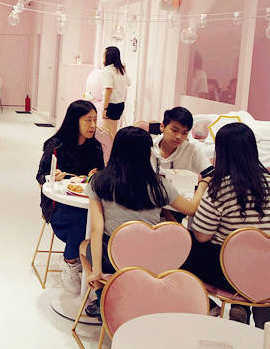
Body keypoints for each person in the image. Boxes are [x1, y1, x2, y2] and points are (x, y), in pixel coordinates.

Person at [79, 126, 206, 315]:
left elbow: (97, 228)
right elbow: (191, 209)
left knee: (84, 246)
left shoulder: (99, 181)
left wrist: (96, 270)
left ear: (116, 150)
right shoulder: (159, 185)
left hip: (114, 258)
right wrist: (202, 185)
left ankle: (102, 296)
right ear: (147, 153)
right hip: (151, 260)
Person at [181, 123, 270, 327]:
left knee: (182, 243)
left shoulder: (220, 189)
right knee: (247, 252)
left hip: (229, 273)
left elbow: (202, 236)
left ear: (222, 152)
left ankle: (210, 305)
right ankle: (242, 306)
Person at [35, 100, 105, 292]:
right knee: (80, 220)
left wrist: (94, 176)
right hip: (58, 204)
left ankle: (85, 257)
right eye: (88, 120)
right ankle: (70, 261)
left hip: (88, 202)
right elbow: (40, 176)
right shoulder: (56, 145)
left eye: (95, 120)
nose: (93, 125)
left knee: (101, 220)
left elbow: (102, 176)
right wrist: (51, 177)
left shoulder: (96, 147)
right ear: (75, 120)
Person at [150, 107, 213, 178]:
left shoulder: (192, 150)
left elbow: (211, 174)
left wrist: (200, 185)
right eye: (174, 130)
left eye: (184, 133)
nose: (179, 137)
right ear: (162, 127)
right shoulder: (149, 146)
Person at [101, 46, 131, 137]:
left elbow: (109, 89)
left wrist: (105, 109)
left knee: (107, 134)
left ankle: (112, 146)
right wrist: (124, 69)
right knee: (112, 131)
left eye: (104, 55)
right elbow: (129, 83)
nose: (103, 57)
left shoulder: (108, 70)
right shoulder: (121, 70)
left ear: (108, 57)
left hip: (112, 105)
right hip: (120, 105)